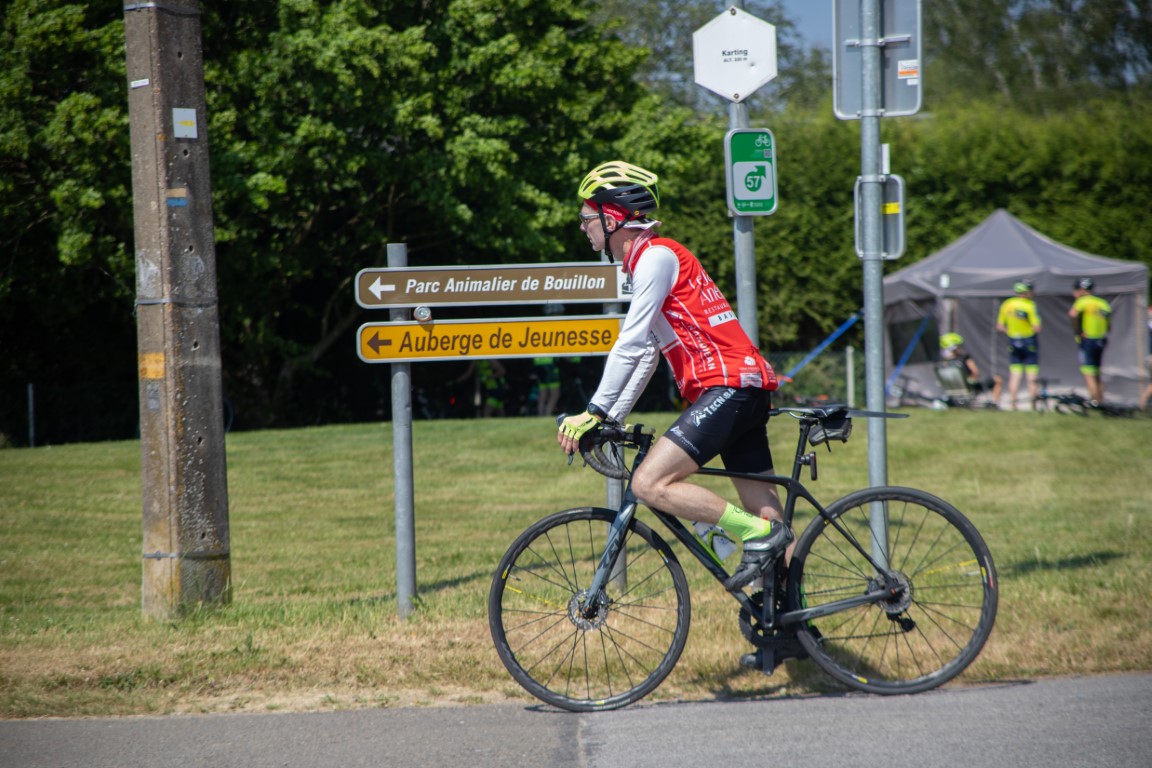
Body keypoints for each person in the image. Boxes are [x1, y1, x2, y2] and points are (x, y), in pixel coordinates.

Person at [556, 160, 790, 592]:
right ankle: (790, 617)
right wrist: (612, 417)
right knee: (766, 509)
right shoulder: (651, 261)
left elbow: (629, 344)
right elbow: (648, 351)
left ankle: (757, 536)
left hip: (728, 386)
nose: (583, 227)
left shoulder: (656, 257)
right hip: (741, 388)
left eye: (587, 217)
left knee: (649, 483)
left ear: (612, 217)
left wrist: (593, 411)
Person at [995, 280, 1042, 410]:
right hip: (1029, 342)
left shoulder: (1007, 304)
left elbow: (999, 326)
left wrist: (1011, 332)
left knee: (1015, 374)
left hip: (1013, 341)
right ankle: (1034, 405)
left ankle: (1013, 404)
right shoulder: (1030, 305)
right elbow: (1037, 327)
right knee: (1032, 375)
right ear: (1026, 292)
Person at [1067, 278, 1111, 405]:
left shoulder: (1082, 301)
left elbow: (1072, 314)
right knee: (1097, 372)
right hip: (1101, 340)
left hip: (1088, 341)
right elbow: (1109, 325)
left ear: (1081, 290)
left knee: (1088, 372)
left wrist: (1078, 332)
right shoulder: (1102, 303)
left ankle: (1094, 401)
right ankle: (1101, 401)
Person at [939, 332, 1002, 404]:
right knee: (998, 379)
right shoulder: (965, 358)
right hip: (968, 387)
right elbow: (976, 373)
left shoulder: (944, 363)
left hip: (952, 389)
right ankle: (995, 402)